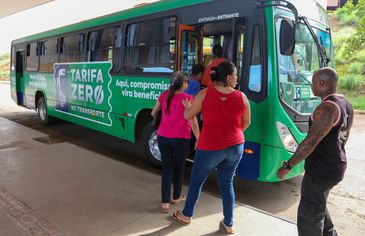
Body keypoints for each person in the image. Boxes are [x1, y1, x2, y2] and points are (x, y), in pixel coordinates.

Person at [172, 61, 251, 234]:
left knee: (196, 181)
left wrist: (187, 107)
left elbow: (188, 115)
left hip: (210, 148)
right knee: (227, 183)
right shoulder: (242, 97)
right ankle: (229, 223)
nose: (237, 79)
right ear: (229, 77)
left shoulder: (204, 94)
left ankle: (186, 215)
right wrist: (231, 135)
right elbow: (246, 123)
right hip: (235, 146)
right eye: (236, 75)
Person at [277, 68, 354, 236]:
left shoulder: (326, 108)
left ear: (322, 83)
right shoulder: (345, 103)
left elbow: (309, 143)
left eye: (313, 82)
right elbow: (344, 135)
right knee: (318, 204)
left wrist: (288, 166)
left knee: (309, 216)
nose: (311, 86)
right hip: (336, 165)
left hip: (321, 171)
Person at [151, 72, 200, 213]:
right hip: (181, 139)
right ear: (184, 84)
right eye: (187, 82)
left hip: (163, 137)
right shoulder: (187, 98)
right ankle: (176, 197)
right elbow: (194, 121)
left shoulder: (165, 94)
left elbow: (154, 112)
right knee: (179, 168)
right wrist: (199, 138)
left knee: (167, 169)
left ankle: (165, 202)